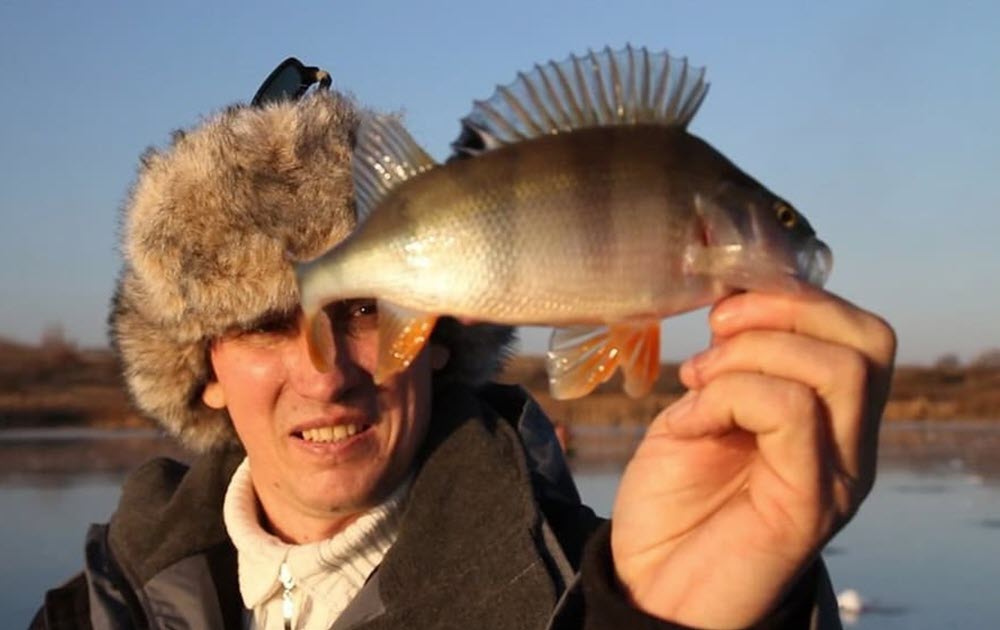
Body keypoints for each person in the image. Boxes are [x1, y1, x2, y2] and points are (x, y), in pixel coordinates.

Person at [32, 59, 896, 630]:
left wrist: (677, 618)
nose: (324, 376)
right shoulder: (99, 605)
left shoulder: (603, 583)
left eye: (365, 309)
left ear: (442, 335)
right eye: (263, 322)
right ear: (205, 372)